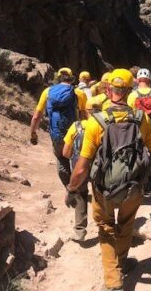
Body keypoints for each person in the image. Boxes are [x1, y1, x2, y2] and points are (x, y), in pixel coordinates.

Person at [67, 69, 151, 291]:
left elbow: (81, 167)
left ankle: (113, 282)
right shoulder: (142, 120)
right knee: (125, 225)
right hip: (134, 186)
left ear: (108, 89)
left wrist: (72, 189)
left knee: (105, 228)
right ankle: (120, 263)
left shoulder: (96, 123)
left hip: (104, 189)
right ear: (130, 91)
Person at [30, 67, 79, 194]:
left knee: (62, 159)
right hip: (75, 133)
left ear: (58, 78)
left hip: (57, 132)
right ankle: (79, 187)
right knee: (77, 159)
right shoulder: (77, 93)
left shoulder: (48, 91)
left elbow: (37, 116)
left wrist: (33, 132)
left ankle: (69, 188)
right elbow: (85, 114)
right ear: (71, 78)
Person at [62, 100, 97, 242]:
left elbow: (65, 153)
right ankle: (106, 226)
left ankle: (80, 231)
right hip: (98, 167)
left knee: (81, 195)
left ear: (85, 111)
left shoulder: (76, 126)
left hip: (79, 166)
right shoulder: (105, 126)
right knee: (100, 195)